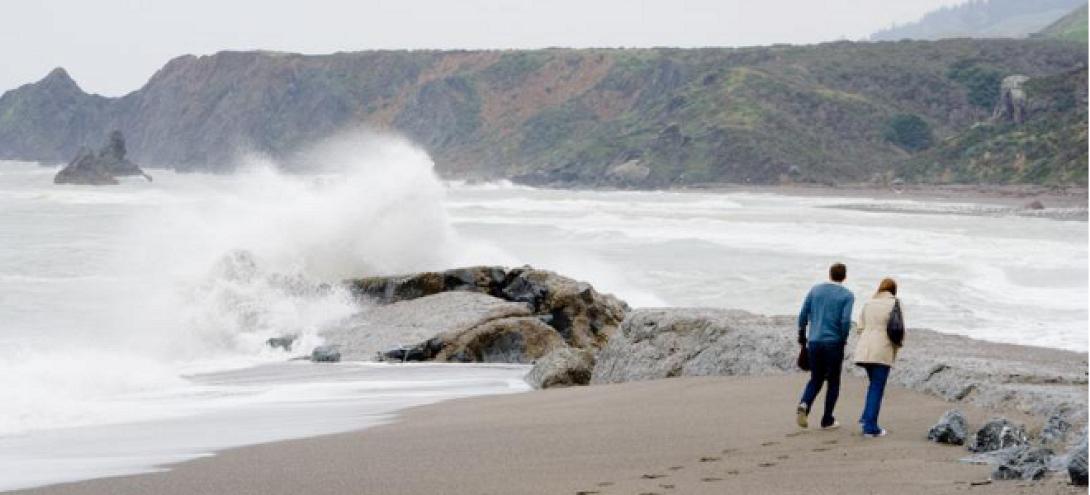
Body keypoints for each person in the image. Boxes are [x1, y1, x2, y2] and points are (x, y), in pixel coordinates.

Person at [796, 263, 854, 430]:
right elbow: (845, 320)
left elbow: (803, 314)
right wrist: (843, 338)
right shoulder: (847, 295)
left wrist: (802, 334)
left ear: (829, 274)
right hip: (833, 342)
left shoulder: (815, 290)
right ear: (844, 276)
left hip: (814, 341)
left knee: (816, 378)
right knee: (833, 381)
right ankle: (827, 419)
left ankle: (804, 404)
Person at [852, 278, 903, 438]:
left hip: (865, 350)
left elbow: (859, 327)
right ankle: (870, 427)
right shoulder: (895, 304)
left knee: (873, 385)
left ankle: (866, 418)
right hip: (882, 350)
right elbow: (899, 327)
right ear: (893, 290)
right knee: (877, 387)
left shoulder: (869, 303)